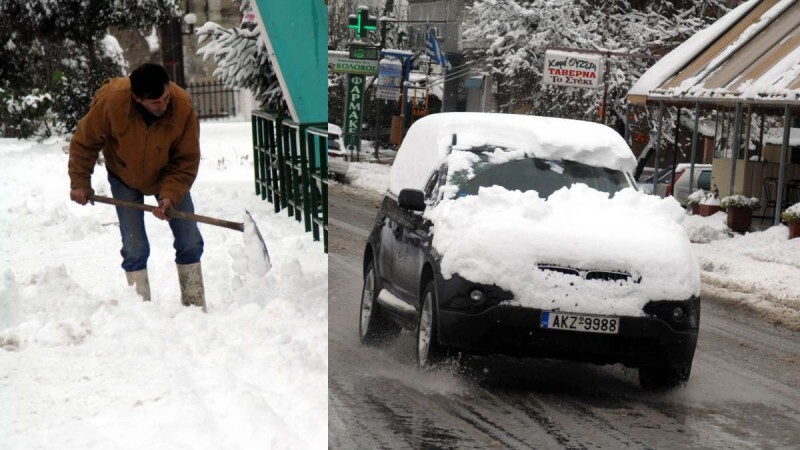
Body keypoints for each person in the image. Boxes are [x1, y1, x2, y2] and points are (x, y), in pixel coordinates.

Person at [68, 63, 206, 311]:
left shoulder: (182, 106)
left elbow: (185, 161)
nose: (163, 106)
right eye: (155, 103)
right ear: (137, 98)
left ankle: (195, 304)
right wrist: (80, 181)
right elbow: (85, 141)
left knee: (190, 240)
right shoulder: (112, 103)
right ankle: (141, 312)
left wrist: (169, 197)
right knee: (135, 247)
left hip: (167, 174)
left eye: (165, 98)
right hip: (124, 174)